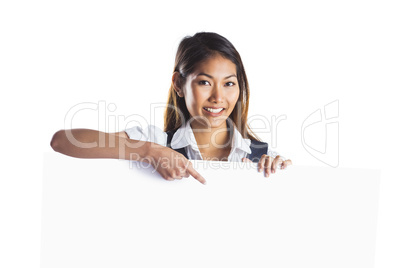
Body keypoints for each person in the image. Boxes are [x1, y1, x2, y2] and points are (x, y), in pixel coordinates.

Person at [50, 32, 292, 185]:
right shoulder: (155, 142)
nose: (218, 97)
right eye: (205, 82)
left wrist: (283, 177)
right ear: (178, 84)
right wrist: (148, 151)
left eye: (229, 83)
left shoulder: (263, 155)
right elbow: (63, 141)